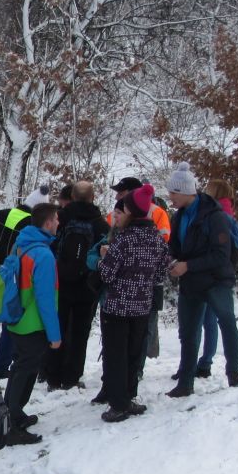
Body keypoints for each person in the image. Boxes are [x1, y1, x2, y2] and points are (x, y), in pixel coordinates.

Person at [164, 162, 238, 396]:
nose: (170, 197)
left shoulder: (215, 217)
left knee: (226, 321)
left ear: (185, 191)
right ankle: (185, 382)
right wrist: (171, 260)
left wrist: (188, 265)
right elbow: (175, 247)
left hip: (215, 280)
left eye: (173, 192)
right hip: (190, 282)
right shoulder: (179, 216)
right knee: (188, 332)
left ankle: (234, 373)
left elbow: (221, 255)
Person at [95, 184, 174, 422]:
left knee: (115, 355)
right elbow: (161, 274)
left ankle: (118, 404)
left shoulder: (124, 240)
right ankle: (129, 397)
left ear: (130, 211)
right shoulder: (157, 240)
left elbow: (107, 274)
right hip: (142, 306)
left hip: (117, 306)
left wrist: (101, 261)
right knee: (133, 354)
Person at [3, 203, 62, 445]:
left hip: (16, 318)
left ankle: (13, 413)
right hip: (32, 323)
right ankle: (10, 424)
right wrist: (54, 334)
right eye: (56, 219)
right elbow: (46, 299)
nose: (58, 222)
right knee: (25, 370)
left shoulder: (21, 244)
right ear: (47, 223)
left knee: (19, 368)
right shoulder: (44, 255)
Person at [43, 181, 110, 390]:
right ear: (92, 197)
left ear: (72, 196)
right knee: (80, 331)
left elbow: (49, 244)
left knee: (57, 327)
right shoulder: (100, 223)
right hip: (87, 284)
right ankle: (72, 377)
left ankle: (52, 375)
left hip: (60, 281)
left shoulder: (60, 219)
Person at [0, 185, 47, 379]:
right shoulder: (32, 226)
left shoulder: (0, 214)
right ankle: (0, 369)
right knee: (10, 322)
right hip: (14, 278)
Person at [109, 177, 171, 363]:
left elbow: (107, 272)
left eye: (121, 193)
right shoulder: (122, 216)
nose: (117, 197)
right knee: (137, 337)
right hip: (145, 292)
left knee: (138, 336)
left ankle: (135, 368)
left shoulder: (155, 214)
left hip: (129, 295)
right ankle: (134, 371)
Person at [190, 179, 238, 380]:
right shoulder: (230, 212)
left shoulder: (214, 213)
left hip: (211, 274)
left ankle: (201, 363)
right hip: (224, 274)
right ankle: (222, 367)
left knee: (207, 321)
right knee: (219, 321)